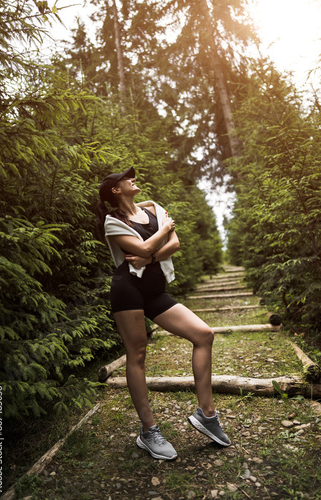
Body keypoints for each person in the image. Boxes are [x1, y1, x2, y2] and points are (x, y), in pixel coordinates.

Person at [97, 166, 230, 460]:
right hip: (127, 289)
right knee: (138, 354)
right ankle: (149, 431)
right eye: (125, 178)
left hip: (155, 291)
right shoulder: (112, 221)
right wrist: (164, 231)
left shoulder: (155, 208)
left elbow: (172, 245)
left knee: (204, 334)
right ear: (116, 190)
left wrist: (151, 255)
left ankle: (207, 415)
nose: (133, 178)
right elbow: (143, 246)